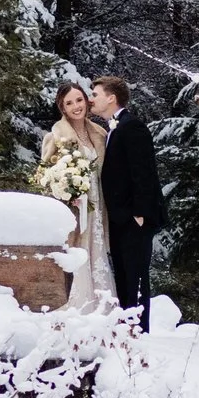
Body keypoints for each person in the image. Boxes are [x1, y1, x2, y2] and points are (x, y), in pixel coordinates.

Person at [89, 75, 166, 327]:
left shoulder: (132, 126)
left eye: (96, 94)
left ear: (111, 98)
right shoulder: (114, 127)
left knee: (136, 276)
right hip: (121, 218)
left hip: (135, 218)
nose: (92, 99)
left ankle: (138, 329)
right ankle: (127, 327)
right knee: (123, 275)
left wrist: (139, 214)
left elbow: (144, 171)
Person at [35, 80, 112, 312]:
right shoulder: (56, 137)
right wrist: (68, 191)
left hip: (98, 207)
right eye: (69, 103)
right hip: (75, 209)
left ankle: (102, 308)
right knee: (78, 252)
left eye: (79, 100)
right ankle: (76, 308)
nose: (76, 106)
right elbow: (44, 177)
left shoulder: (99, 134)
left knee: (97, 254)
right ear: (63, 108)